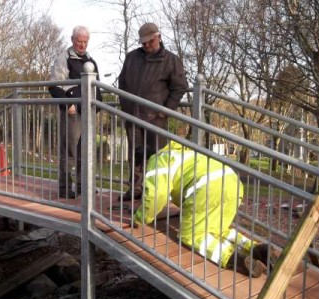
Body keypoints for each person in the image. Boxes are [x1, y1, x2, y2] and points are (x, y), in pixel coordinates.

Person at [132, 141, 274, 278]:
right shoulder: (180, 153)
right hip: (232, 183)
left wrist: (140, 217)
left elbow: (157, 195)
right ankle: (257, 249)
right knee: (216, 229)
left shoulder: (157, 162)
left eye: (140, 171)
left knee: (191, 235)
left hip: (208, 188)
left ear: (142, 163)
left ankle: (233, 258)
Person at [118, 22, 189, 201]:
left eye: (150, 41)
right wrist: (126, 108)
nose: (147, 45)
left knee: (157, 157)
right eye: (144, 42)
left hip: (156, 118)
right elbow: (122, 83)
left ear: (158, 37)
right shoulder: (132, 57)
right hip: (133, 116)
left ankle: (155, 193)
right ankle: (135, 189)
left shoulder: (171, 60)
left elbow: (179, 88)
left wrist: (165, 111)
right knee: (135, 155)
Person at [49, 26, 102, 199]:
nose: (82, 44)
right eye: (79, 41)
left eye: (85, 42)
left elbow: (97, 85)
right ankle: (65, 187)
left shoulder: (90, 60)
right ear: (72, 40)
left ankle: (83, 186)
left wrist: (98, 105)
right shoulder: (64, 58)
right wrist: (68, 104)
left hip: (89, 111)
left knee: (86, 150)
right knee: (69, 151)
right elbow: (54, 86)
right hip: (72, 111)